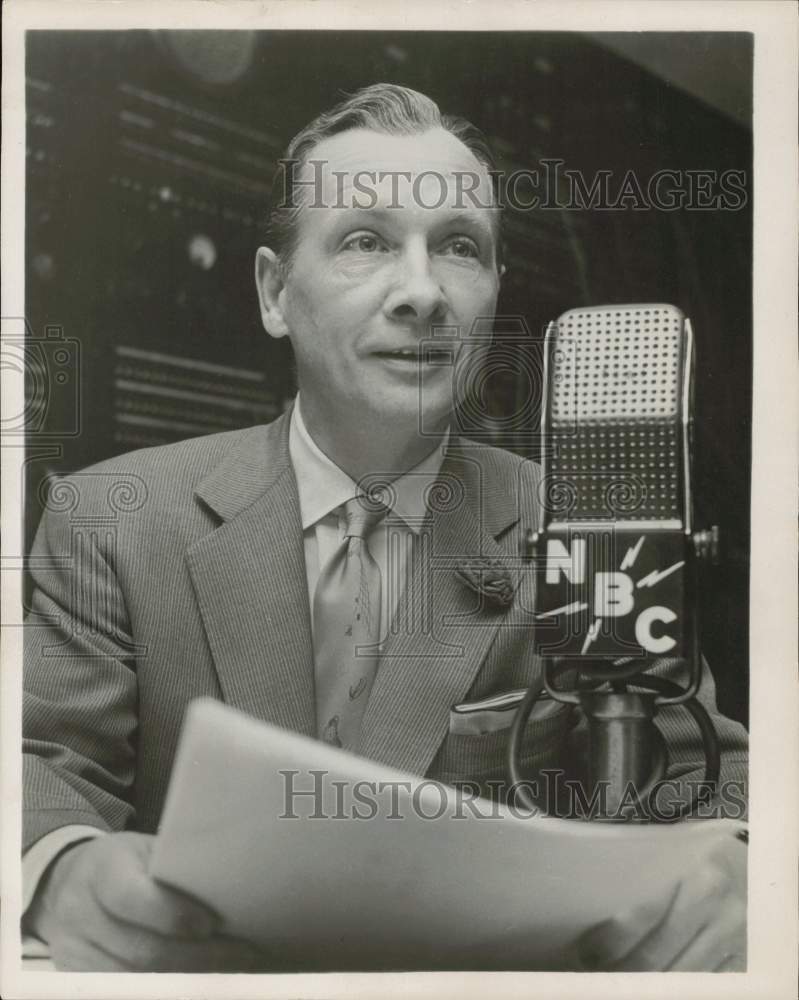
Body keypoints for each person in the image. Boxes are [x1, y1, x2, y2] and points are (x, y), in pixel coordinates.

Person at [22, 83, 748, 972]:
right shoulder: (108, 523)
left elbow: (711, 783)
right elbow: (37, 768)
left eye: (458, 249)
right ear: (274, 292)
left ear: (492, 294)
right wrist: (63, 869)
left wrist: (737, 866)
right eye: (365, 241)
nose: (421, 292)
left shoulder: (594, 523)